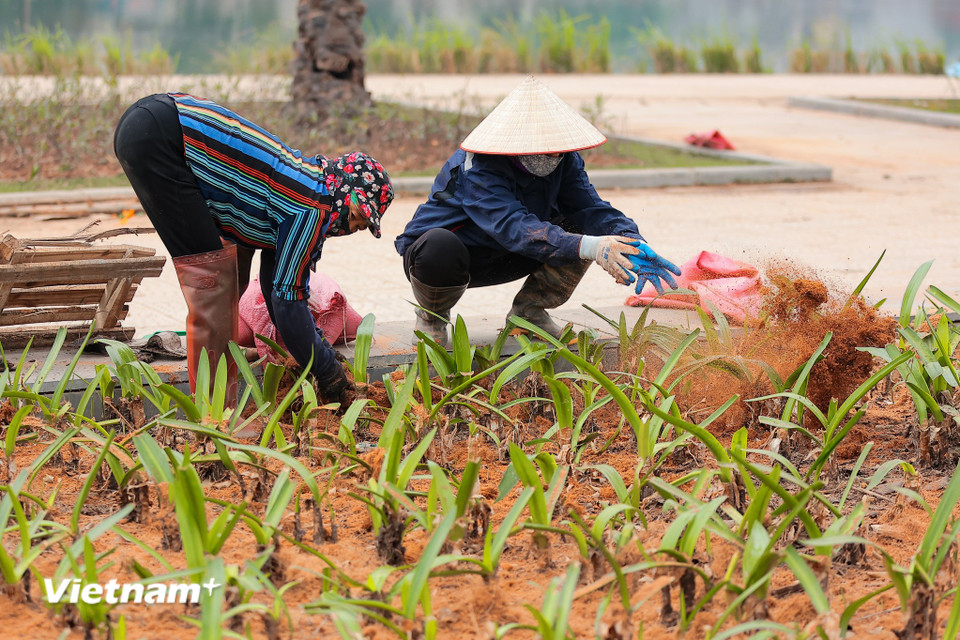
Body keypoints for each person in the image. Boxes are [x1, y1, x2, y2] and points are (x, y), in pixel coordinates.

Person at [114, 92, 393, 406]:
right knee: (213, 285)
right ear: (341, 189)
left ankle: (218, 403)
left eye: (355, 228)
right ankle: (214, 416)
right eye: (354, 216)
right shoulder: (311, 207)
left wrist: (319, 351)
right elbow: (287, 304)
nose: (346, 229)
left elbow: (278, 291)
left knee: (231, 279)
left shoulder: (308, 188)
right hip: (162, 138)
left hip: (153, 121)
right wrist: (327, 371)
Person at [394, 77, 679, 346]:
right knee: (439, 246)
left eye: (559, 149)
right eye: (546, 149)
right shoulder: (478, 167)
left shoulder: (565, 160)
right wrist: (593, 248)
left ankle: (529, 313)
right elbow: (513, 227)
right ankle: (432, 316)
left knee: (580, 228)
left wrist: (629, 239)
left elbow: (590, 208)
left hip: (510, 254)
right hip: (454, 257)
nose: (554, 156)